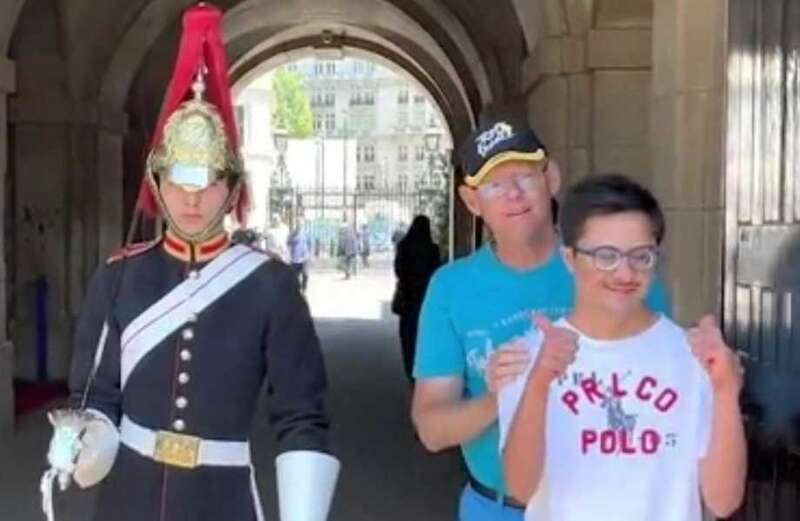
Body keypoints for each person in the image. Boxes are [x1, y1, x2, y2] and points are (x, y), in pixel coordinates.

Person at [41, 5, 339, 521]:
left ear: (232, 188)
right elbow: (97, 393)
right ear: (158, 184)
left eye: (208, 183)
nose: (192, 198)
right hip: (128, 498)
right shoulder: (119, 275)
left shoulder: (269, 284)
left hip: (220, 499)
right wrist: (83, 438)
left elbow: (301, 414)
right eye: (179, 181)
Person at [410, 118, 670, 521]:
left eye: (525, 176)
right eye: (494, 184)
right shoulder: (451, 288)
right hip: (497, 509)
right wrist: (504, 398)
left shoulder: (616, 268)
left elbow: (665, 391)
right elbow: (432, 427)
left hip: (606, 505)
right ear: (471, 201)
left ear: (551, 178)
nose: (513, 194)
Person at [498, 174, 746, 521]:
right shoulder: (526, 357)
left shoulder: (692, 357)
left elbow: (723, 501)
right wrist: (539, 383)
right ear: (569, 258)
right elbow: (520, 488)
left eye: (641, 256)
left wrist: (725, 392)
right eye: (605, 256)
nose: (624, 273)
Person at [392, 215, 441, 384]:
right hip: (426, 298)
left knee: (407, 336)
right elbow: (437, 271)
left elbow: (398, 270)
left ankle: (410, 370)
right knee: (425, 335)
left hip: (408, 298)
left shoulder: (403, 246)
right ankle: (423, 368)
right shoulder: (433, 249)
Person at [287, 217, 312, 292]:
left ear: (303, 224)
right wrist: (289, 254)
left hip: (304, 258)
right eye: (298, 223)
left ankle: (304, 290)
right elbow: (288, 243)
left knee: (305, 274)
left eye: (301, 224)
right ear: (296, 224)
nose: (299, 225)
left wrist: (310, 255)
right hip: (295, 259)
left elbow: (310, 244)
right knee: (295, 277)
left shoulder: (306, 233)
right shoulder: (292, 234)